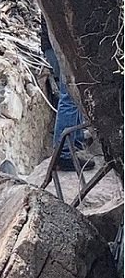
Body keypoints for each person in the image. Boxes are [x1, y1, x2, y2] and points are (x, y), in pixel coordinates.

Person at [40, 19, 91, 171]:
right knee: (70, 96)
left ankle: (76, 140)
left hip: (55, 45)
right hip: (60, 45)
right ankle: (63, 154)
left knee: (75, 94)